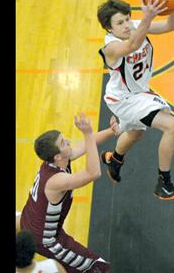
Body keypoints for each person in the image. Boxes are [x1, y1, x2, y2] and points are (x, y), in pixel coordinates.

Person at [96, 0, 174, 200]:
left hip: (138, 93)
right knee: (173, 126)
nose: (126, 25)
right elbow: (132, 46)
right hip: (125, 100)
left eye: (127, 19)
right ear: (109, 29)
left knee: (135, 134)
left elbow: (171, 26)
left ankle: (114, 160)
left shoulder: (135, 26)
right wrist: (147, 19)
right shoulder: (111, 48)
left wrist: (171, 5)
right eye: (120, 22)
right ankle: (164, 182)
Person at [19, 113, 120, 273]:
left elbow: (86, 144)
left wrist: (112, 131)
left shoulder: (57, 160)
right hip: (47, 240)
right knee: (97, 267)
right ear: (57, 156)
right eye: (63, 142)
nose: (68, 141)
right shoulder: (56, 180)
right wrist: (87, 133)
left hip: (29, 220)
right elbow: (93, 173)